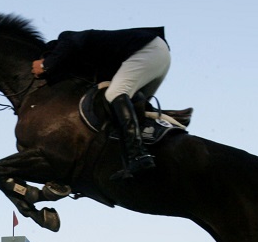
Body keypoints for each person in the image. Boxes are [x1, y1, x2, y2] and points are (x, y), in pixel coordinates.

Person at [31, 26, 177, 179]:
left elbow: (65, 50)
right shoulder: (92, 58)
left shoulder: (67, 38)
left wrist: (44, 65)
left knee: (115, 94)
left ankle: (138, 155)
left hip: (148, 50)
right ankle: (149, 146)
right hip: (157, 53)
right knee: (127, 107)